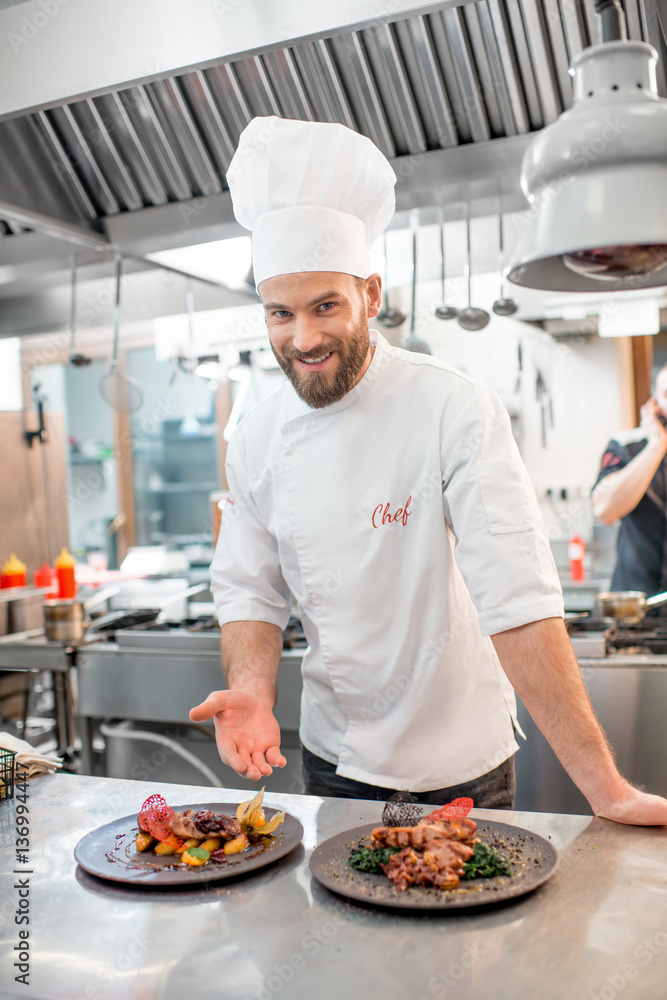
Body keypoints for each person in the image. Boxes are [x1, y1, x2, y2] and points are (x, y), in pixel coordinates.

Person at [191, 116, 667, 825]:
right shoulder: (257, 435)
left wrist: (605, 788)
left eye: (326, 306)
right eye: (279, 314)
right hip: (333, 757)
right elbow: (248, 590)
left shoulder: (453, 406)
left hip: (460, 763)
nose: (303, 336)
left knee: (472, 932)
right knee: (348, 931)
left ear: (371, 297)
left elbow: (516, 594)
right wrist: (253, 692)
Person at [592, 366, 667, 600]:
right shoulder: (626, 445)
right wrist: (656, 446)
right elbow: (604, 510)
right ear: (655, 403)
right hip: (637, 609)